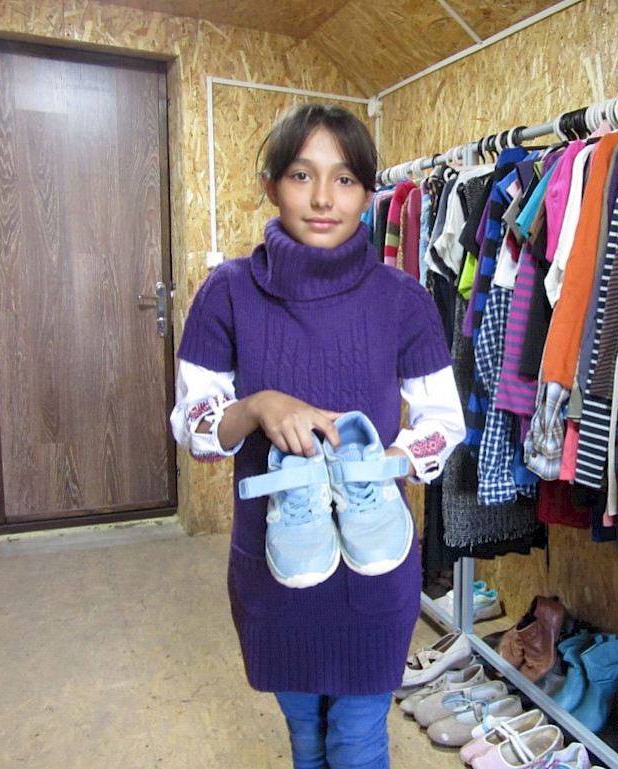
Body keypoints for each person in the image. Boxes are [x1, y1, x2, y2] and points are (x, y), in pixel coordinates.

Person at [169, 103, 464, 769]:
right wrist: (257, 406)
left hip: (376, 564)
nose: (325, 198)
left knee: (357, 739)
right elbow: (195, 425)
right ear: (271, 185)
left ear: (368, 193)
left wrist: (383, 462)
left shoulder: (403, 299)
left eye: (346, 179)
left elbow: (443, 425)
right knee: (304, 736)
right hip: (274, 565)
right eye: (303, 175)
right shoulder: (227, 292)